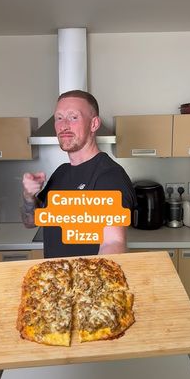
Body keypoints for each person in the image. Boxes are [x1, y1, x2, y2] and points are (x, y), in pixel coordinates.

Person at [21, 90, 136, 258]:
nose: (64, 125)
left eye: (73, 117)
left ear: (94, 124)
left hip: (86, 281)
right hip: (56, 279)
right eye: (59, 118)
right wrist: (28, 196)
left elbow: (113, 243)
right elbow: (30, 222)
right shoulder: (61, 172)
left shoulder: (109, 176)